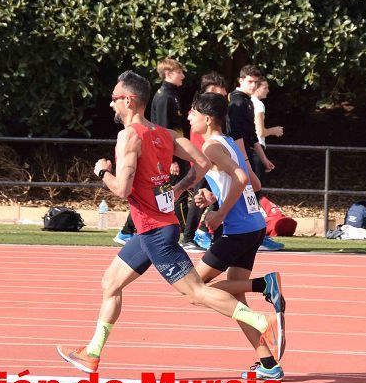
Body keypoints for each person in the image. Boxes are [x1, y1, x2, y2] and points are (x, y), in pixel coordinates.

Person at [57, 70, 282, 374]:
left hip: (154, 231)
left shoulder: (128, 136)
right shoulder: (165, 135)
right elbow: (201, 163)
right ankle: (92, 353)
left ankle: (260, 320)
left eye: (113, 99)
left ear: (129, 100)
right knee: (110, 282)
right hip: (153, 228)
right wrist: (178, 189)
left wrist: (101, 172)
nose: (111, 105)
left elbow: (122, 189)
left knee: (195, 292)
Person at [187, 92, 287, 376]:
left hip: (237, 230)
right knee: (235, 299)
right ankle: (268, 364)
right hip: (253, 226)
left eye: (193, 113)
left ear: (207, 119)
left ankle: (264, 286)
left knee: (196, 289)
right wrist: (214, 197)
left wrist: (220, 213)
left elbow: (243, 180)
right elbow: (253, 182)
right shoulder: (229, 143)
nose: (188, 117)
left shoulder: (211, 147)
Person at [113, 58, 189, 246]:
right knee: (160, 193)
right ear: (169, 73)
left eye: (114, 100)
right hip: (169, 156)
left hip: (157, 230)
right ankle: (129, 230)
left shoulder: (171, 96)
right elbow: (161, 130)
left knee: (155, 194)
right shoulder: (164, 97)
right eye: (180, 71)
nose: (183, 75)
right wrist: (171, 158)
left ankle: (130, 231)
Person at [227, 64, 282, 251]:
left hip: (247, 153)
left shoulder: (248, 101)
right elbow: (236, 134)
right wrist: (246, 161)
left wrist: (263, 157)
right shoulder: (236, 102)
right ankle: (251, 236)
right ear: (240, 81)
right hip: (238, 155)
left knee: (252, 195)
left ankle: (255, 236)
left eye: (255, 82)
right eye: (250, 81)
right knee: (244, 194)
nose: (253, 85)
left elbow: (251, 135)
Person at [181, 71, 229, 252]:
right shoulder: (201, 109)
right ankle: (188, 237)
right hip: (204, 159)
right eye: (220, 89)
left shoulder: (213, 108)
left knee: (216, 198)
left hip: (211, 159)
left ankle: (205, 231)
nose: (223, 93)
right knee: (200, 199)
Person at [252, 77, 284, 191]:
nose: (268, 90)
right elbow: (260, 131)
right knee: (256, 188)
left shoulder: (246, 102)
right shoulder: (259, 104)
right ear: (256, 88)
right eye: (265, 88)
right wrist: (274, 131)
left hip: (246, 148)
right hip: (257, 148)